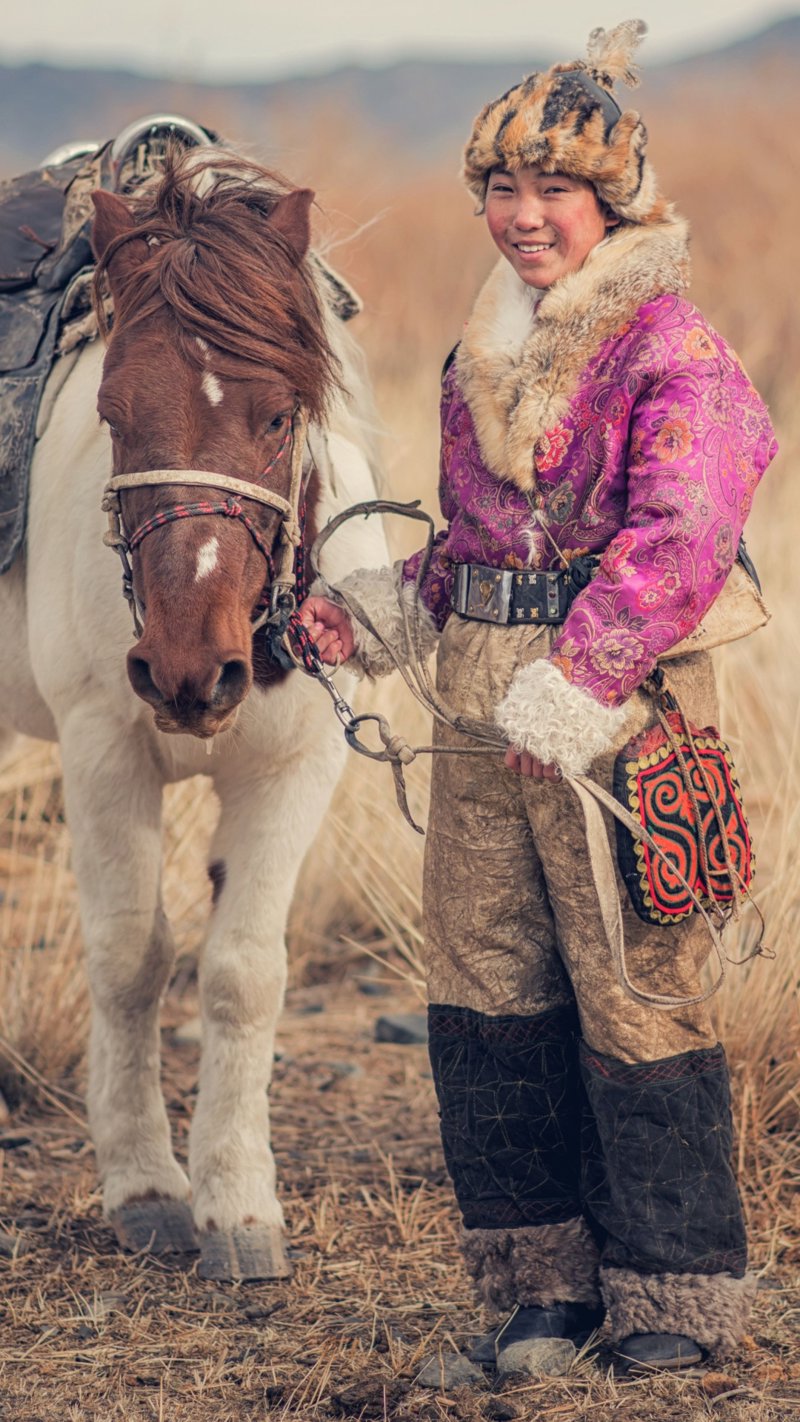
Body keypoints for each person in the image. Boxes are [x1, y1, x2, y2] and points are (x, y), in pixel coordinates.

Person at [299, 20, 777, 1373]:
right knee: (486, 987)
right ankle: (541, 1290)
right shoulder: (474, 358)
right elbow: (469, 549)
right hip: (473, 710)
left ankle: (675, 1304)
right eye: (499, 191)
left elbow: (682, 535)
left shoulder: (675, 349)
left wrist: (575, 686)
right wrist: (373, 610)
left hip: (614, 714)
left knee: (637, 990)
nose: (520, 218)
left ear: (612, 202)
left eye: (550, 192)